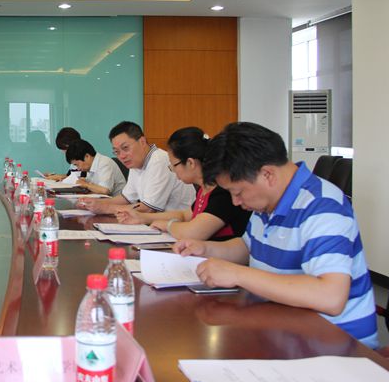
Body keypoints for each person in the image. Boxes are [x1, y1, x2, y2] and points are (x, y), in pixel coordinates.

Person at [174, 121, 378, 347]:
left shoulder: (322, 205)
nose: (236, 202)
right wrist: (205, 248)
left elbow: (330, 296)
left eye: (238, 192)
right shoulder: (267, 202)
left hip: (336, 346)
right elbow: (247, 247)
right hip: (282, 328)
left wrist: (238, 274)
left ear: (267, 174)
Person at [115, 127, 250, 240]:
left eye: (174, 165)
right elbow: (185, 215)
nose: (172, 170)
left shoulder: (222, 191)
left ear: (190, 163)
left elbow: (194, 231)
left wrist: (167, 225)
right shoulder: (204, 188)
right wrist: (141, 217)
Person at [79, 121, 194, 214]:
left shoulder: (159, 161)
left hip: (178, 226)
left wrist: (105, 208)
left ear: (142, 142)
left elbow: (148, 209)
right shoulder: (136, 163)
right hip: (156, 223)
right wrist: (94, 203)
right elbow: (126, 198)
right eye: (117, 152)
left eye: (125, 148)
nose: (122, 156)